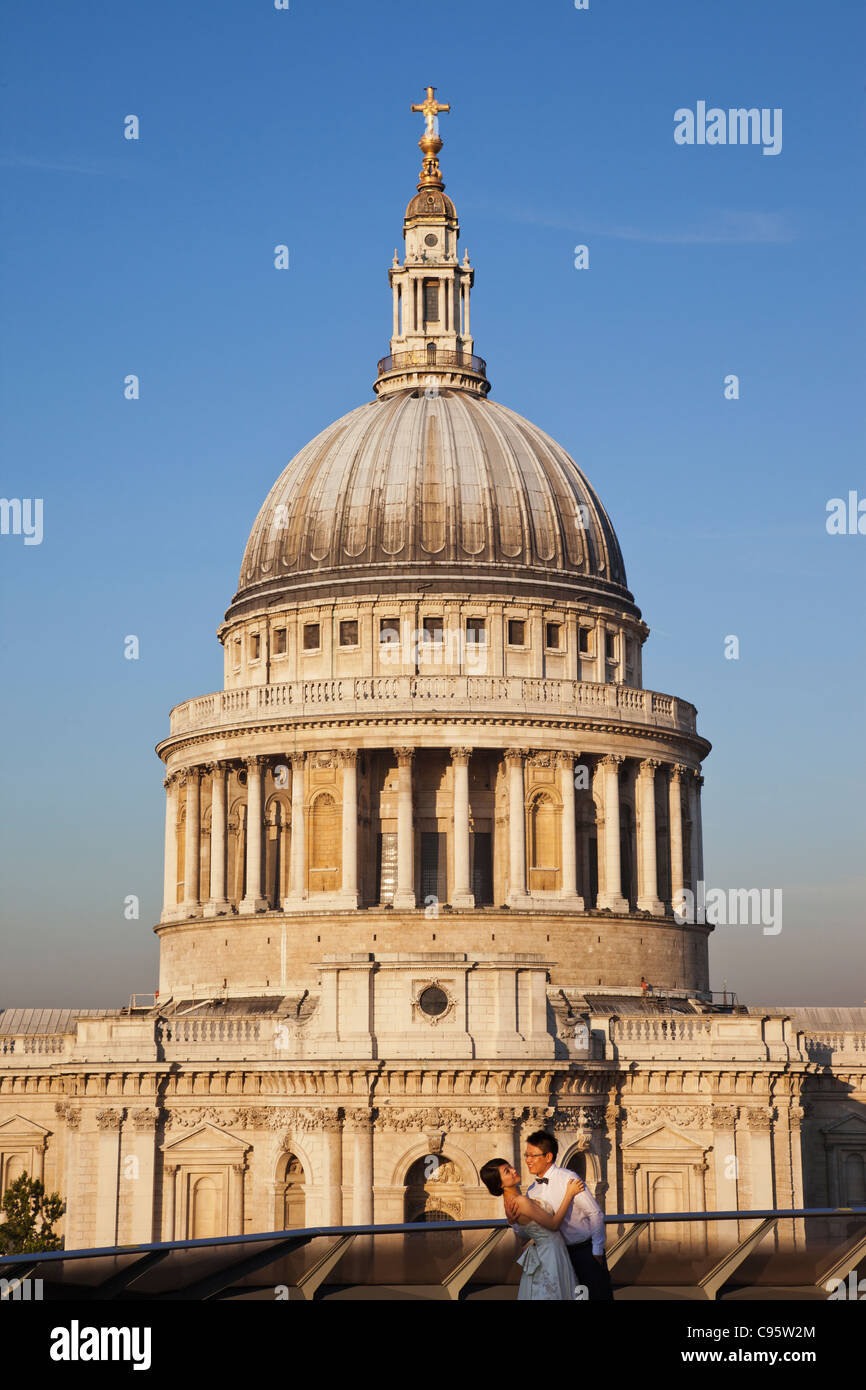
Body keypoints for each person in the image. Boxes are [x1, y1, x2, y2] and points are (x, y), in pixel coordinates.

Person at [506, 1130, 614, 1302]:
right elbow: (531, 1232)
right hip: (557, 1257)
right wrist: (514, 1223)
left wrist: (597, 1250)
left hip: (584, 1252)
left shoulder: (568, 1178)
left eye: (533, 1156)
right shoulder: (532, 1190)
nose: (527, 1160)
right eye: (527, 1155)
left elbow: (595, 1214)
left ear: (548, 1157)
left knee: (594, 1296)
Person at [480, 1157, 585, 1300]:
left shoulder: (510, 1203)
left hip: (546, 1251)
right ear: (500, 1184)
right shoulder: (521, 1201)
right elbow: (554, 1225)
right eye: (507, 1171)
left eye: (510, 1166)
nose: (513, 1170)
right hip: (551, 1253)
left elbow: (523, 1237)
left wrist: (513, 1223)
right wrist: (569, 1193)